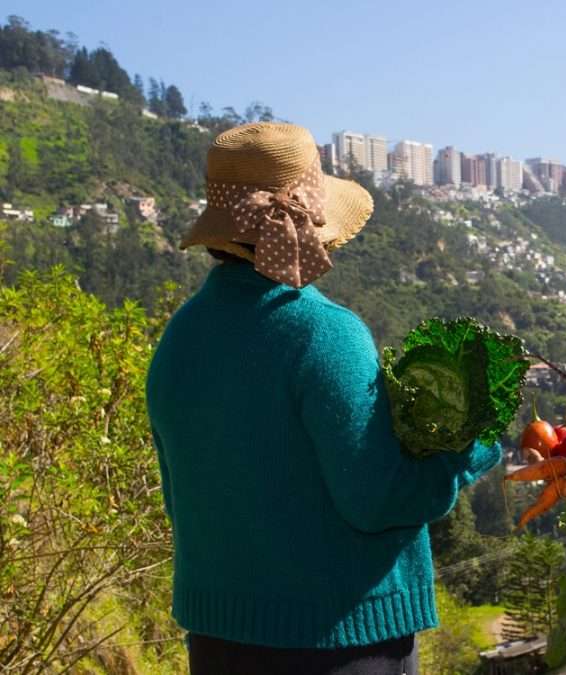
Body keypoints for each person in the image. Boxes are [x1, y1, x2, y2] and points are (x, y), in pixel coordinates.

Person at [146, 123, 500, 675]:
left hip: (219, 643)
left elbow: (179, 500)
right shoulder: (324, 333)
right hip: (340, 643)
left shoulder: (181, 337)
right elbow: (380, 501)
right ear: (311, 222)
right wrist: (470, 449)